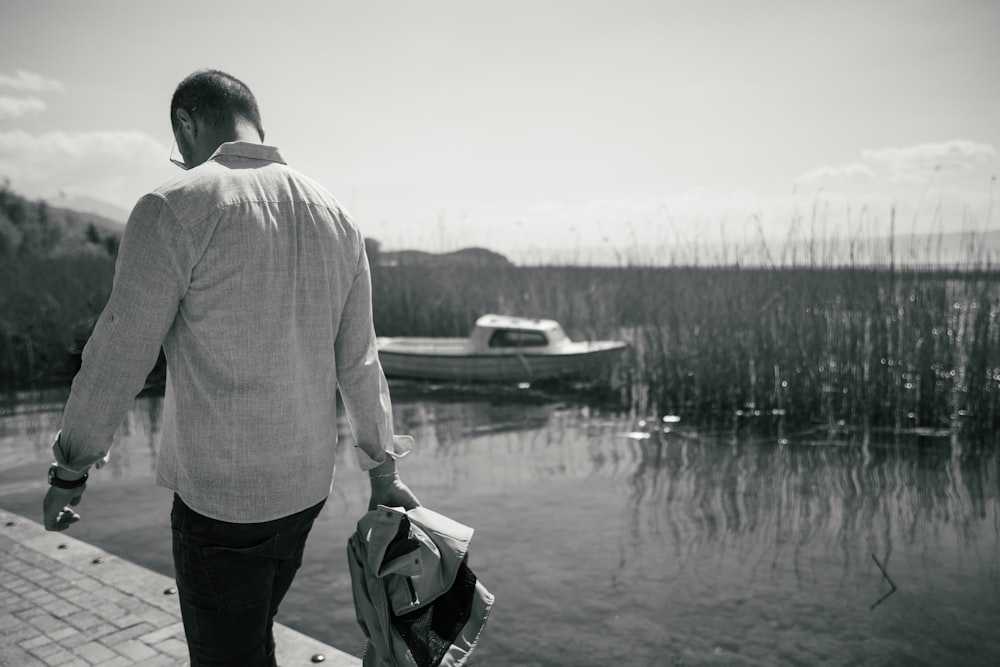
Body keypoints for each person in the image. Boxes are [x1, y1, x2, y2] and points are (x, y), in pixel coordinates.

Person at [41, 69, 420, 666]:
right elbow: (360, 360)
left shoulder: (174, 207)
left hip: (222, 500)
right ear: (256, 123)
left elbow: (119, 355)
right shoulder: (336, 215)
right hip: (304, 490)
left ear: (187, 124)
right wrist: (382, 470)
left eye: (178, 145)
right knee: (250, 636)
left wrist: (71, 467)